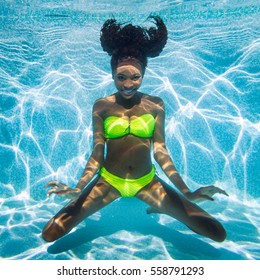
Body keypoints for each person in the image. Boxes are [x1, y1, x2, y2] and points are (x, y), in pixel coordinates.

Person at [42, 16, 228, 243]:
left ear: (144, 75)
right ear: (112, 74)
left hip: (147, 183)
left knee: (216, 232)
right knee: (51, 233)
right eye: (121, 77)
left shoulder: (155, 105)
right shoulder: (102, 106)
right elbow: (97, 151)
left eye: (135, 77)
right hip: (108, 182)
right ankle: (162, 205)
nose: (128, 84)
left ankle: (162, 206)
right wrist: (79, 188)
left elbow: (160, 150)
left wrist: (186, 192)